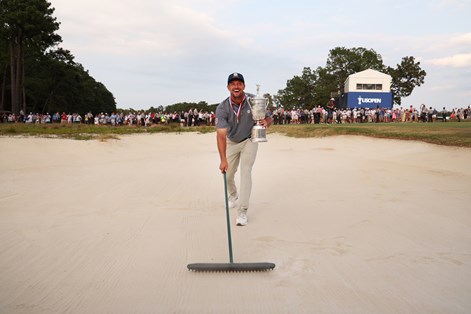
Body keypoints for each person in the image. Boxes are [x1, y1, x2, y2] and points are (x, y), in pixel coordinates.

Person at [215, 72, 273, 226]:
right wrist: (223, 160)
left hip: (250, 139)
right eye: (233, 84)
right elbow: (221, 135)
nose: (236, 86)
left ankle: (242, 211)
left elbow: (269, 117)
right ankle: (233, 195)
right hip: (232, 141)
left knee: (246, 172)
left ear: (244, 86)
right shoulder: (222, 108)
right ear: (228, 87)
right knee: (228, 176)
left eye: (239, 83)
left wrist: (266, 122)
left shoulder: (253, 100)